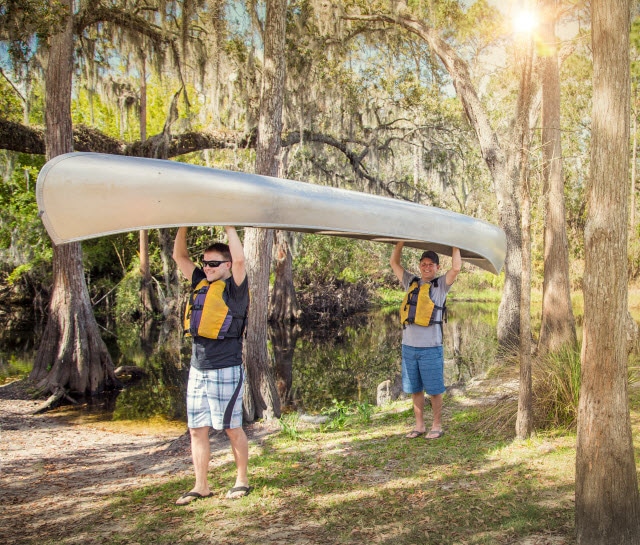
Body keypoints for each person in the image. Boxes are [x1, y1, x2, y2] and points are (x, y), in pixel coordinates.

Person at [172, 226, 251, 504]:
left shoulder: (235, 288)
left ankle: (241, 480)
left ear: (227, 265)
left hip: (226, 367)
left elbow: (241, 261)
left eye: (213, 263)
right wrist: (183, 224)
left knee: (231, 427)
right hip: (198, 368)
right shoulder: (200, 281)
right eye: (205, 263)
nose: (206, 267)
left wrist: (230, 226)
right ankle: (201, 486)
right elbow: (179, 257)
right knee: (196, 429)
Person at [390, 243, 461, 440]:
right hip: (409, 348)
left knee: (435, 390)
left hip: (431, 348)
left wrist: (457, 245)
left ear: (437, 267)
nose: (426, 267)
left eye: (431, 264)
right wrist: (400, 243)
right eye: (423, 264)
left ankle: (437, 425)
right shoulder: (410, 282)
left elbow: (456, 268)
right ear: (419, 266)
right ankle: (419, 426)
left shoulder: (440, 286)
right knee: (415, 389)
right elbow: (394, 263)